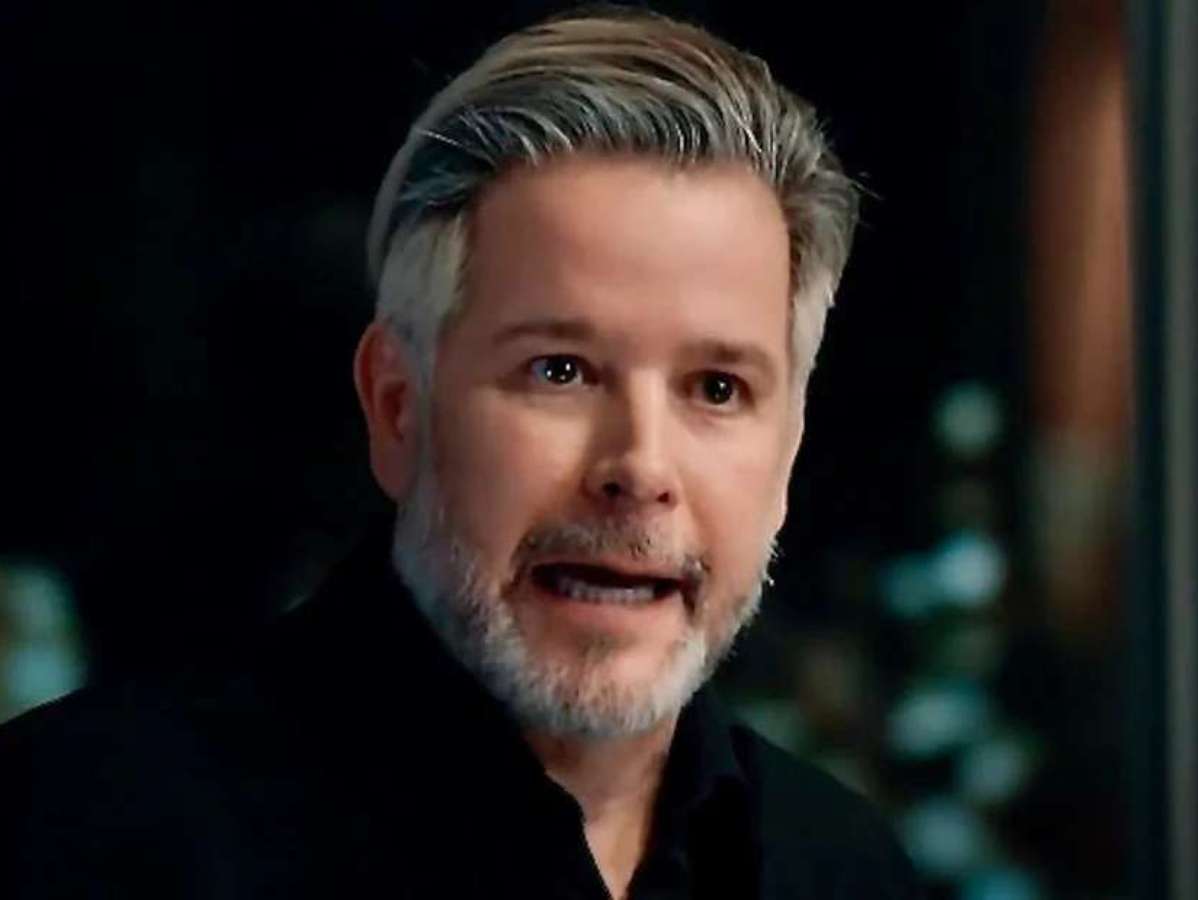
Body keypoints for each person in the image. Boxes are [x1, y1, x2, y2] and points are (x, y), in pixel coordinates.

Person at [2, 8, 921, 898]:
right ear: (397, 407)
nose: (641, 468)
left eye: (717, 388)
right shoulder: (80, 831)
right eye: (560, 371)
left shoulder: (841, 867)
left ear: (789, 447)